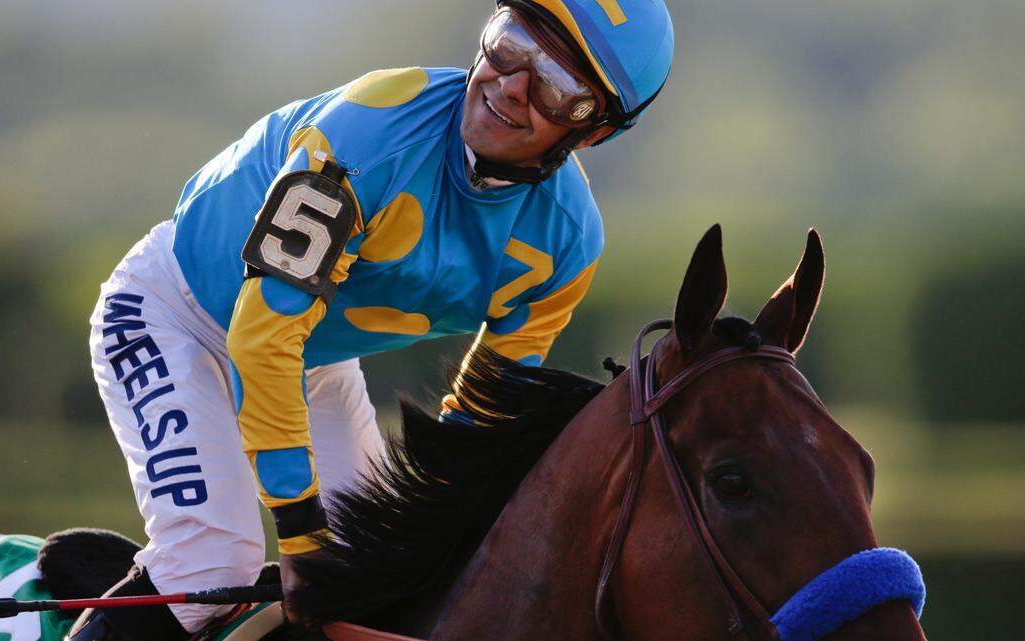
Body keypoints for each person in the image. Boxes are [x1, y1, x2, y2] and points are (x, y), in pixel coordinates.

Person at [76, 1, 674, 638]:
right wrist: (301, 531)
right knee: (212, 562)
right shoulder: (371, 129)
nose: (511, 86)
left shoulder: (567, 243)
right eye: (512, 44)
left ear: (592, 132)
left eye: (554, 84)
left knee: (373, 574)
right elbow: (262, 334)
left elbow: (476, 427)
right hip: (172, 313)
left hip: (309, 356)